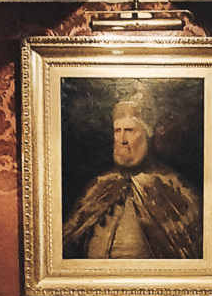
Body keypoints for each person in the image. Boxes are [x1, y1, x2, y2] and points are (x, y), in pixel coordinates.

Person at [60, 89, 202, 259]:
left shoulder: (174, 189)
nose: (122, 138)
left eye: (129, 130)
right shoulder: (99, 186)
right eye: (117, 130)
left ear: (147, 135)